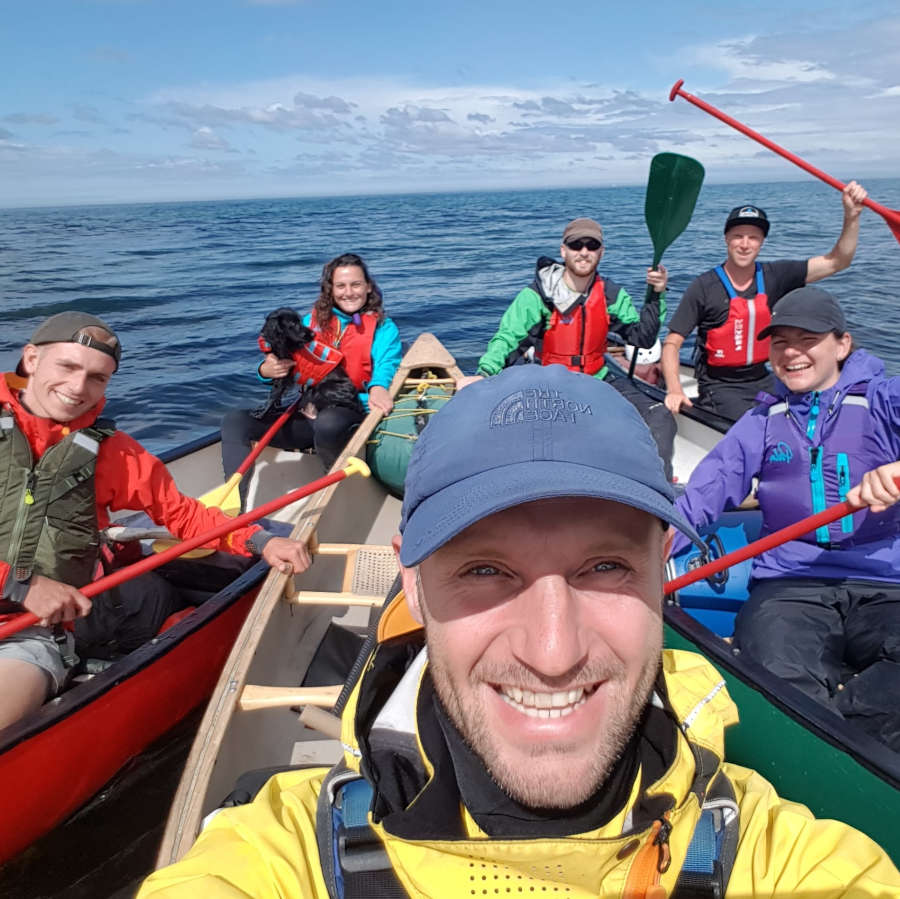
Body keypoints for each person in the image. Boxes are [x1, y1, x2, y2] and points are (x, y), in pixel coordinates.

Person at [139, 364, 899, 898]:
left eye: (604, 567)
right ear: (409, 577)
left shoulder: (787, 858)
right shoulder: (274, 855)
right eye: (484, 571)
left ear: (660, 566)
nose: (554, 651)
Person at [0, 312, 312, 730]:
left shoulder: (112, 453)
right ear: (32, 359)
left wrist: (260, 541)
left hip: (28, 635)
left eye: (98, 377)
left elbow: (180, 513)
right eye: (68, 367)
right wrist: (21, 584)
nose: (78, 388)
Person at [673, 286, 900, 751]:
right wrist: (648, 542)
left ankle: (844, 739)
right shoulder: (761, 421)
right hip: (790, 583)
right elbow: (703, 495)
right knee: (777, 677)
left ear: (843, 344)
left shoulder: (883, 402)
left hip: (887, 583)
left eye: (808, 338)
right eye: (780, 342)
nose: (792, 352)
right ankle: (832, 749)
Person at [460, 217, 676, 478]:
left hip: (598, 379)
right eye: (576, 245)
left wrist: (656, 294)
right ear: (563, 251)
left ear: (601, 252)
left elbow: (642, 337)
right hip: (548, 383)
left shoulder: (611, 294)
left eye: (592, 245)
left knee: (660, 415)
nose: (584, 252)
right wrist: (484, 375)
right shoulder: (537, 296)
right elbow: (506, 339)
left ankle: (655, 491)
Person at [662, 182, 869, 421]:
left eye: (753, 237)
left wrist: (852, 216)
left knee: (809, 418)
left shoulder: (776, 276)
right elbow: (672, 344)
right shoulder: (703, 286)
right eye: (738, 236)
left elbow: (837, 262)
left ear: (761, 243)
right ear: (726, 239)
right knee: (755, 427)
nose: (745, 244)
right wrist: (675, 389)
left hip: (765, 377)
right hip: (720, 385)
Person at [221, 253, 402, 508]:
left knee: (328, 423)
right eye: (341, 286)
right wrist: (265, 370)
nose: (349, 292)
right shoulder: (308, 323)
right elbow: (282, 359)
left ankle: (337, 493)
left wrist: (378, 387)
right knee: (236, 420)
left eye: (356, 285)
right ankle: (232, 504)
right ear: (330, 289)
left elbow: (387, 364)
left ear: (368, 287)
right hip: (309, 410)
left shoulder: (384, 328)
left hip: (351, 412)